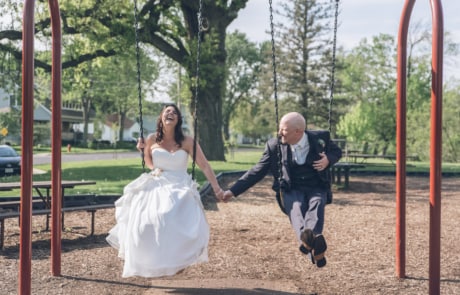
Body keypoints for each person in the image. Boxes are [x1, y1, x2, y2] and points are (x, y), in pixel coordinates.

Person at [107, 103, 224, 278]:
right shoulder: (152, 139)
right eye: (167, 111)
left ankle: (178, 260)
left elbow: (205, 166)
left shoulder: (187, 141)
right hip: (158, 181)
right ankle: (152, 261)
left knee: (171, 215)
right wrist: (142, 151)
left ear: (178, 119)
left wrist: (217, 189)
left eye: (174, 112)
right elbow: (149, 163)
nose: (170, 113)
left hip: (180, 185)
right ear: (161, 116)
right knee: (146, 221)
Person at [222, 112, 342, 268]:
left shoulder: (320, 138)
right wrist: (232, 191)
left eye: (284, 130)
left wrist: (328, 159)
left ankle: (309, 242)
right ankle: (314, 243)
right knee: (297, 207)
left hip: (316, 186)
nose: (279, 133)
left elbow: (336, 152)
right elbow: (257, 170)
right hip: (291, 188)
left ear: (298, 131)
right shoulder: (274, 146)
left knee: (317, 203)